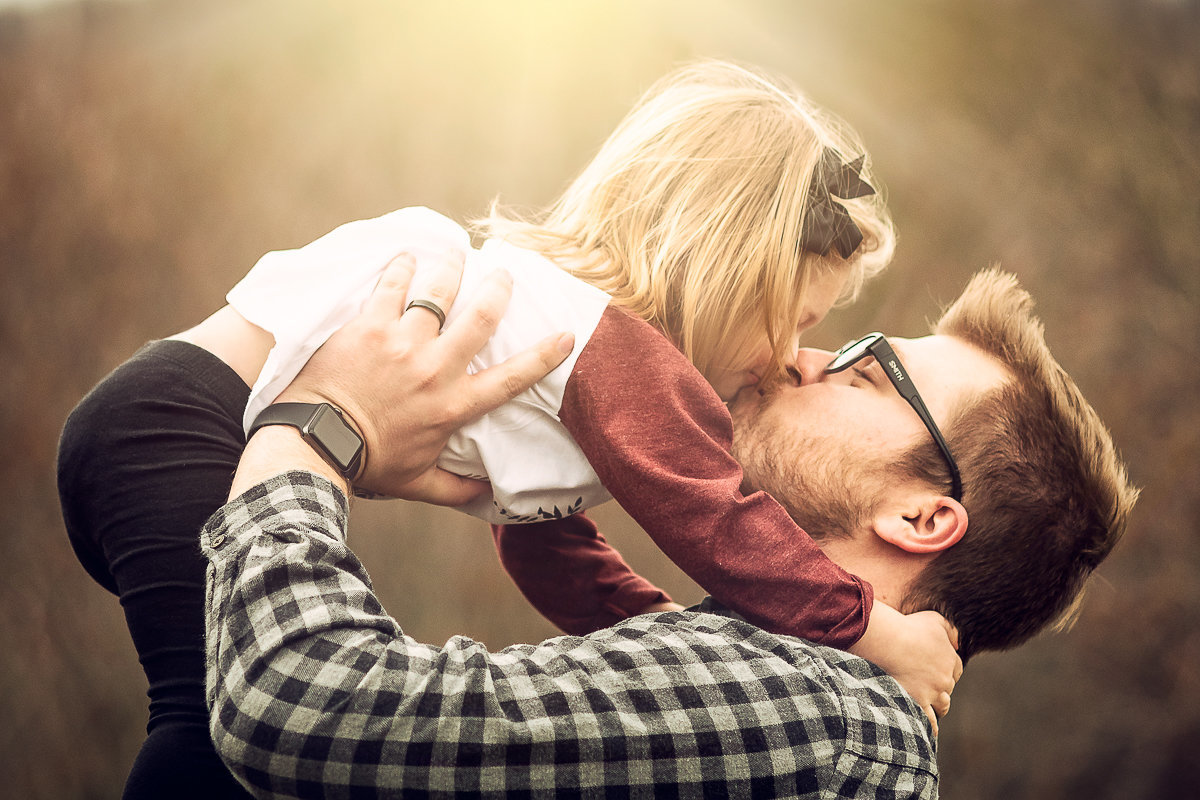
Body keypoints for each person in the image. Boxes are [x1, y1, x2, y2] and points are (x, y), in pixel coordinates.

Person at [194, 256, 1134, 797]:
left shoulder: (813, 708)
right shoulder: (805, 706)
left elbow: (301, 701)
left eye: (864, 375)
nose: (800, 359)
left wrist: (317, 423)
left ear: (922, 517)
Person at [212, 59, 959, 713]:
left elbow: (546, 546)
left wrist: (661, 626)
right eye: (793, 319)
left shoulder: (578, 360)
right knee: (207, 728)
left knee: (197, 714)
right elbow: (721, 525)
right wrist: (879, 632)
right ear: (727, 270)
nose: (788, 356)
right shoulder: (616, 350)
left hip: (202, 436)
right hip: (194, 418)